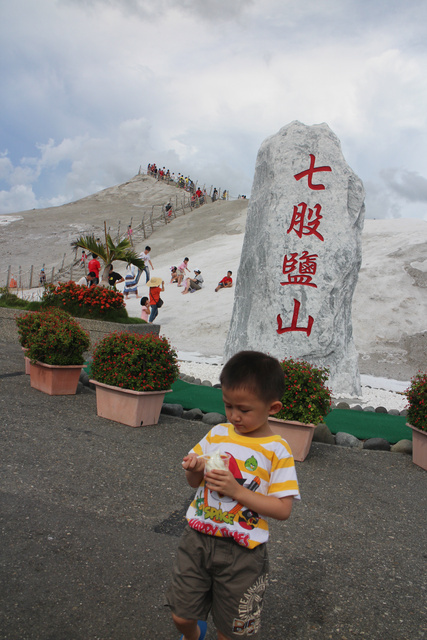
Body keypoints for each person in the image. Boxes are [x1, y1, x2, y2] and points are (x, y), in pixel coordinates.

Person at [166, 350, 300, 640]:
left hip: (243, 553)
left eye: (244, 409)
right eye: (228, 406)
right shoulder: (218, 434)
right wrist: (195, 467)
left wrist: (236, 490)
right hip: (197, 539)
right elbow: (193, 483)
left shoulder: (277, 450)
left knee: (231, 633)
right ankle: (193, 635)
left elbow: (282, 509)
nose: (234, 415)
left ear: (273, 408)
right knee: (181, 615)